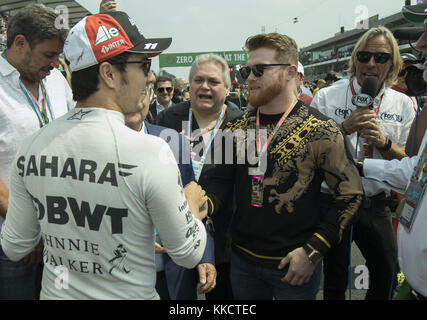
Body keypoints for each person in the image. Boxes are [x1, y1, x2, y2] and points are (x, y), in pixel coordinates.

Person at [0, 11, 208, 300]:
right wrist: (192, 207)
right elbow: (187, 252)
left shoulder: (32, 146)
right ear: (109, 74)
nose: (148, 77)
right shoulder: (150, 151)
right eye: (143, 64)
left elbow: (14, 245)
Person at [205, 32, 363, 300]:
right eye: (246, 70)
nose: (250, 78)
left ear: (290, 72)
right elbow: (217, 182)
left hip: (294, 266)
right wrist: (200, 205)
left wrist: (313, 250)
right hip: (242, 263)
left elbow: (351, 194)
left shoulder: (321, 130)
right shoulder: (234, 127)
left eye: (259, 70)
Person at [311, 26, 416, 300]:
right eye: (364, 56)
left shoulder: (403, 104)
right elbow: (308, 152)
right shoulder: (326, 97)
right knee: (335, 277)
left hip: (376, 202)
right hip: (333, 200)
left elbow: (412, 162)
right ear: (354, 59)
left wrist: (383, 142)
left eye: (380, 58)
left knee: (388, 272)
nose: (371, 64)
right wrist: (343, 128)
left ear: (392, 64)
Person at [0, 3, 74, 300]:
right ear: (20, 43)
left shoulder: (56, 81)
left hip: (61, 239)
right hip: (13, 242)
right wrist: (27, 228)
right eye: (49, 54)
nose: (56, 63)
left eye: (58, 55)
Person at [155, 53, 243, 300]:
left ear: (227, 88)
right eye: (198, 80)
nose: (205, 86)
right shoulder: (169, 119)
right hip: (174, 236)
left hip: (225, 239)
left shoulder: (241, 125)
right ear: (189, 85)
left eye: (213, 81)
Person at [124, 72, 217, 299]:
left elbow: (192, 199)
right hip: (124, 274)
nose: (137, 100)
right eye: (128, 93)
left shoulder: (171, 140)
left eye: (144, 91)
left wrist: (204, 257)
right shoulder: (96, 146)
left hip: (174, 271)